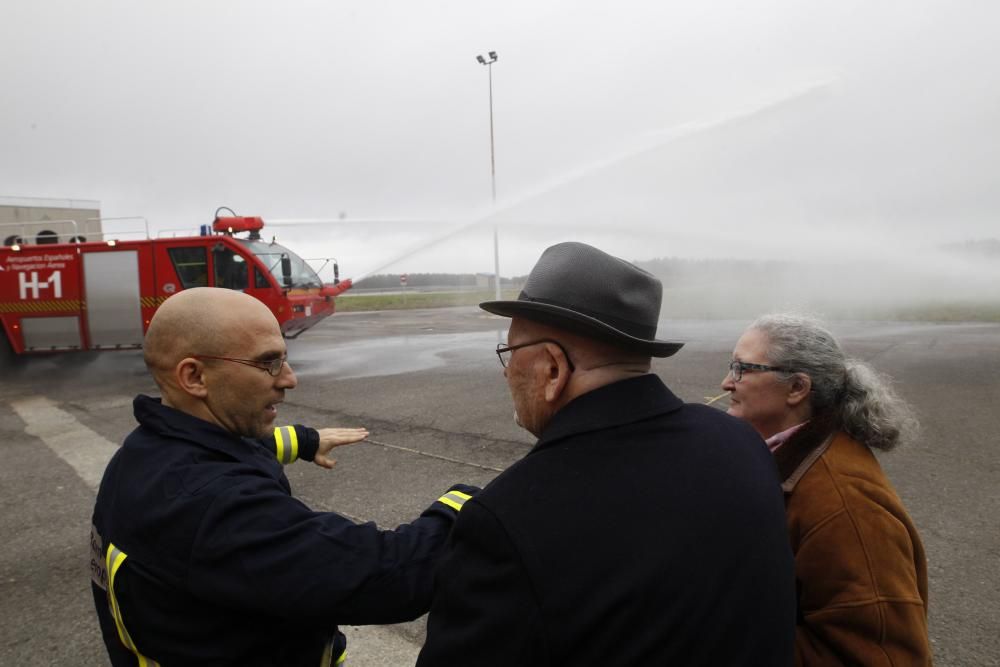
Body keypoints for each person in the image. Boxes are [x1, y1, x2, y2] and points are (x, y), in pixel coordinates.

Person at [417, 242, 796, 666]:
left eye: (510, 354)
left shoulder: (508, 522)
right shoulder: (741, 443)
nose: (507, 372)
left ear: (553, 370)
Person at [90, 287, 478, 666]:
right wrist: (474, 507)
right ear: (195, 377)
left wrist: (307, 441)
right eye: (268, 362)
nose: (289, 378)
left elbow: (236, 449)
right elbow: (388, 576)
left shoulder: (147, 452)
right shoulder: (211, 505)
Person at [720, 313, 931, 665]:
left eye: (742, 369)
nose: (727, 382)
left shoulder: (847, 504)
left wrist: (719, 642)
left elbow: (883, 655)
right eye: (731, 366)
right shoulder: (783, 457)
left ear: (797, 388)